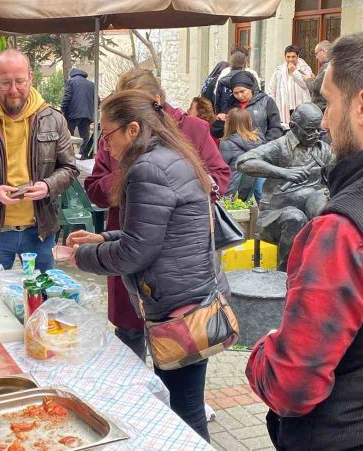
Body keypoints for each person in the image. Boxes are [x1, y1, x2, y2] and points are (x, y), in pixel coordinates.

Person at [70, 90, 225, 442]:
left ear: (134, 129)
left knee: (186, 412)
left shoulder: (147, 168)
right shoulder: (170, 156)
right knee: (186, 404)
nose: (104, 145)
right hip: (189, 298)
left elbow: (136, 253)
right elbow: (154, 232)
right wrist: (104, 239)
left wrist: (80, 258)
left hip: (178, 311)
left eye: (107, 134)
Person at [246, 32, 363, 449]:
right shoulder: (287, 146)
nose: (326, 122)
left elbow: (292, 384)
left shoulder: (340, 231)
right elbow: (247, 159)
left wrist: (262, 352)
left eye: (330, 103)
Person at [84, 69, 230, 359]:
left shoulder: (193, 129)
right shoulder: (116, 131)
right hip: (127, 239)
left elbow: (219, 177)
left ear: (156, 101)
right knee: (130, 335)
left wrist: (169, 186)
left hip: (177, 266)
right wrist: (126, 182)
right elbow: (94, 187)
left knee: (179, 356)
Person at [0, 49, 78, 272]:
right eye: (5, 82)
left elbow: (70, 168)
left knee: (42, 296)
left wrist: (48, 185)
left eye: (20, 81)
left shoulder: (54, 119)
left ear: (31, 77)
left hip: (40, 231)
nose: (14, 90)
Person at [236, 103, 331, 271]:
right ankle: (286, 275)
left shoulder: (323, 150)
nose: (316, 134)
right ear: (294, 127)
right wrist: (283, 172)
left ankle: (318, 272)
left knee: (324, 210)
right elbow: (243, 162)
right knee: (294, 218)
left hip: (310, 210)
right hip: (275, 216)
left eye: (318, 129)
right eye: (310, 130)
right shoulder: (279, 147)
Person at [211, 71, 283, 144]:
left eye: (242, 91)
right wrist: (220, 122)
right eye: (236, 93)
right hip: (235, 149)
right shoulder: (230, 104)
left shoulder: (266, 102)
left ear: (250, 88)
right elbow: (219, 132)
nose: (240, 96)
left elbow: (275, 128)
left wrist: (265, 147)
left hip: (260, 148)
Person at [219, 108, 265, 197]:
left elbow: (221, 169)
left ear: (229, 123)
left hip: (232, 191)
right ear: (249, 122)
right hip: (252, 191)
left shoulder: (226, 144)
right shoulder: (259, 140)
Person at [266, 45, 314, 125]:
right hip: (284, 107)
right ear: (285, 57)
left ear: (298, 56)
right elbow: (271, 90)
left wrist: (295, 71)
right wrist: (274, 107)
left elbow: (306, 85)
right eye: (288, 57)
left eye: (293, 57)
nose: (290, 59)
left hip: (300, 107)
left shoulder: (305, 68)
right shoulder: (279, 70)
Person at [214, 47, 262, 114]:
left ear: (231, 63)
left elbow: (217, 101)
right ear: (245, 63)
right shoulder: (251, 76)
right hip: (247, 115)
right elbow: (258, 97)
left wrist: (219, 114)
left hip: (226, 116)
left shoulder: (222, 79)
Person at [60, 68, 95, 157]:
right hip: (87, 114)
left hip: (73, 113)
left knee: (68, 134)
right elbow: (97, 100)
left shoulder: (71, 81)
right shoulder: (91, 84)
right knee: (85, 136)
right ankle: (83, 154)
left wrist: (63, 109)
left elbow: (67, 96)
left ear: (71, 74)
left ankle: (68, 155)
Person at [307, 40, 332, 111]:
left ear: (324, 50)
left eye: (316, 53)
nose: (316, 57)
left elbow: (315, 87)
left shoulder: (328, 66)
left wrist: (308, 79)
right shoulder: (334, 64)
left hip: (323, 108)